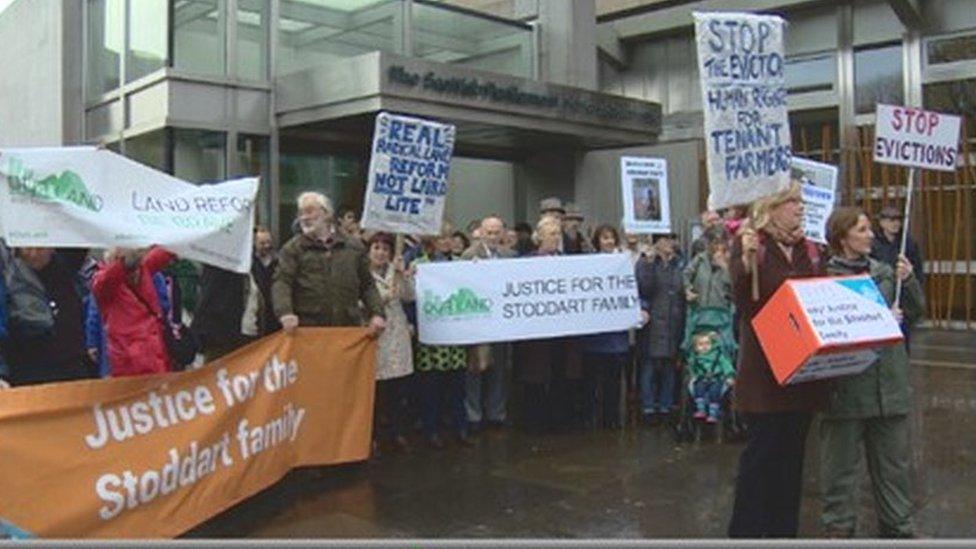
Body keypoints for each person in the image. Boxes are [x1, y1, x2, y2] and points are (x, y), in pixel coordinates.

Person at [727, 182, 826, 538]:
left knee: (792, 461)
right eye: (793, 202)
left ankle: (784, 533)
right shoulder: (752, 243)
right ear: (772, 206)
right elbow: (743, 300)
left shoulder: (811, 249)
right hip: (763, 375)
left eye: (801, 202)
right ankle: (747, 533)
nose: (800, 208)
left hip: (800, 374)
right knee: (760, 459)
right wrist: (744, 262)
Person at [819, 207, 923, 538]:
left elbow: (917, 311)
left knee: (894, 468)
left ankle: (899, 528)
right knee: (840, 469)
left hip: (889, 389)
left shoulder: (885, 273)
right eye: (862, 230)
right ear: (842, 237)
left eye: (869, 228)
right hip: (847, 390)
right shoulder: (824, 279)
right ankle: (839, 529)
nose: (871, 235)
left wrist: (908, 282)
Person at [272, 192, 385, 335]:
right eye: (301, 213)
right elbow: (282, 282)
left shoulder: (353, 247)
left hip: (347, 329)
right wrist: (285, 313)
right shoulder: (292, 249)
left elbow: (367, 284)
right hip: (308, 331)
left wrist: (377, 314)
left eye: (309, 211)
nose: (304, 217)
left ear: (327, 214)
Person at [515, 216, 584, 433]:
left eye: (558, 233)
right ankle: (536, 421)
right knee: (536, 377)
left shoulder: (569, 261)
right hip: (536, 334)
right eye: (552, 233)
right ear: (540, 236)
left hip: (563, 332)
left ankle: (560, 419)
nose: (556, 238)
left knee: (561, 374)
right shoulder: (526, 261)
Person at [413, 225, 471, 448]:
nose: (447, 241)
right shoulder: (419, 266)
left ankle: (461, 429)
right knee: (432, 390)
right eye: (442, 237)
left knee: (458, 388)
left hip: (455, 337)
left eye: (449, 237)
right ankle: (432, 430)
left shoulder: (459, 265)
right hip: (432, 338)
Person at [0, 245, 92, 387]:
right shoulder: (9, 275)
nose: (33, 254)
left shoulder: (65, 267)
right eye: (27, 248)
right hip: (26, 369)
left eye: (40, 248)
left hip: (72, 368)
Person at [460, 216, 516, 432]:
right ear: (481, 233)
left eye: (497, 232)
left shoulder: (510, 256)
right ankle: (473, 416)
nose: (493, 236)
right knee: (475, 369)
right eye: (489, 232)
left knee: (500, 369)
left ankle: (496, 414)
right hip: (479, 322)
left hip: (502, 322)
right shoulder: (469, 256)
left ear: (502, 234)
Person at [192, 226, 279, 361]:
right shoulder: (220, 264)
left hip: (250, 335)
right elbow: (209, 298)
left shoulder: (254, 265)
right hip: (223, 339)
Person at [92, 246, 178, 377]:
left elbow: (164, 251)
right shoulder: (104, 284)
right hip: (129, 361)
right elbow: (107, 279)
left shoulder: (143, 269)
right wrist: (124, 264)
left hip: (155, 354)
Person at [367, 233, 415, 455]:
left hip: (397, 334)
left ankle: (397, 432)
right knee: (376, 391)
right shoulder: (363, 274)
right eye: (376, 248)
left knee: (398, 389)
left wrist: (402, 275)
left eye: (385, 249)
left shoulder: (393, 271)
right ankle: (373, 436)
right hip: (374, 336)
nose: (381, 253)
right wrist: (378, 301)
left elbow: (409, 296)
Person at [580, 224, 629, 429]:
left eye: (611, 238)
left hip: (616, 337)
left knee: (613, 382)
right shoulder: (589, 264)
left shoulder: (624, 263)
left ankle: (611, 419)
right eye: (604, 238)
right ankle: (590, 417)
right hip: (594, 336)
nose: (608, 242)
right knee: (590, 382)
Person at [636, 232, 686, 420]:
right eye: (665, 240)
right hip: (654, 321)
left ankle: (665, 406)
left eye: (672, 239)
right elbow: (644, 288)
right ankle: (648, 406)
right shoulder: (646, 263)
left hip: (673, 321)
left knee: (669, 366)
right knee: (650, 365)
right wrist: (648, 264)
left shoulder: (680, 264)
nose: (670, 244)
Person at [871, 205, 924, 348]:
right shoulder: (873, 243)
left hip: (903, 299)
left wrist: (914, 286)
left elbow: (917, 269)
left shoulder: (907, 242)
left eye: (899, 220)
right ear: (882, 222)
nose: (896, 223)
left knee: (902, 340)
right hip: (883, 297)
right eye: (891, 219)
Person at [686, 332, 735, 424]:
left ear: (712, 344)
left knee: (715, 391)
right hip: (702, 379)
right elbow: (692, 368)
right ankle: (701, 409)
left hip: (716, 379)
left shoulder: (718, 356)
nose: (704, 346)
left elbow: (726, 366)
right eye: (701, 344)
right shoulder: (696, 358)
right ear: (696, 347)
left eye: (707, 344)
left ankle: (713, 413)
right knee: (698, 388)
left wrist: (729, 376)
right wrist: (692, 374)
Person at [684, 237, 732, 311]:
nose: (718, 247)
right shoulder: (700, 259)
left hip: (721, 312)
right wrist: (688, 290)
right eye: (715, 243)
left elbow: (733, 286)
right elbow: (686, 275)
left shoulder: (729, 261)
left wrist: (724, 267)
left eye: (721, 243)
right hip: (700, 310)